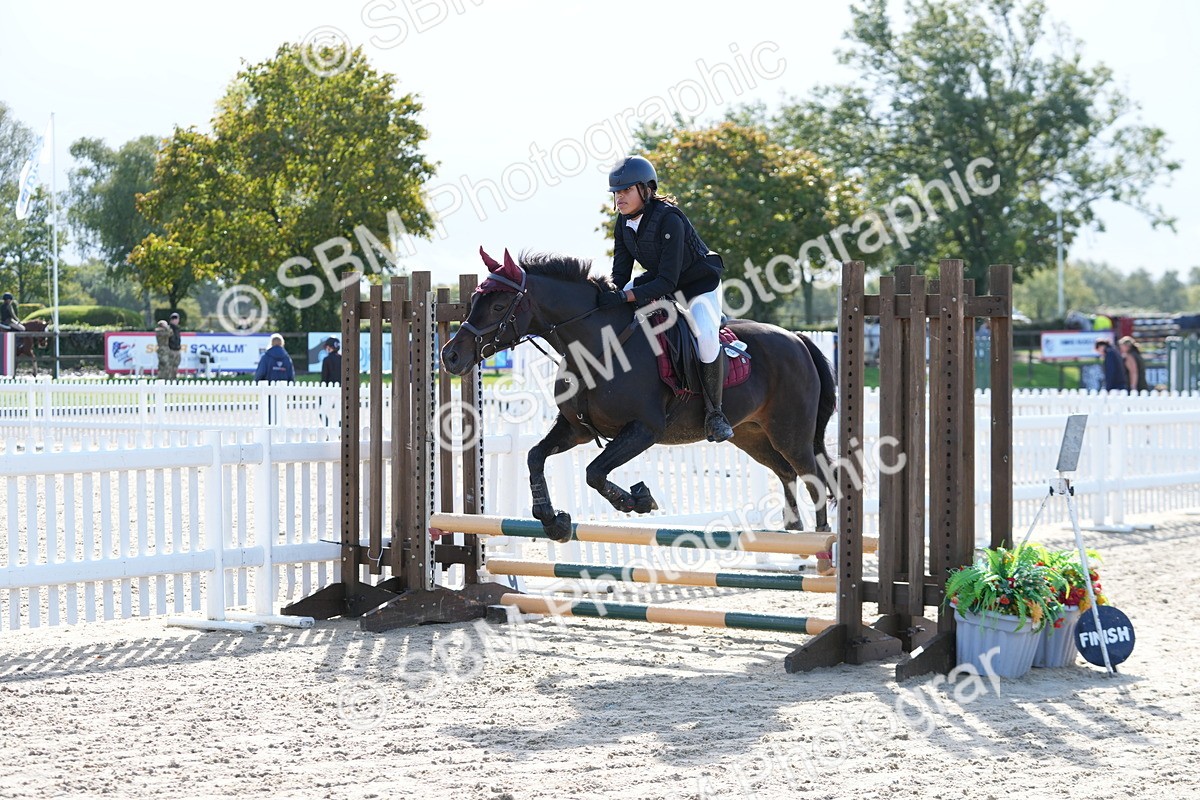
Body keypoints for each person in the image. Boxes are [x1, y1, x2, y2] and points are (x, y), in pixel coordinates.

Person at [604, 155, 733, 442]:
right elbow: (620, 274)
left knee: (707, 338)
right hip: (664, 282)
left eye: (626, 190)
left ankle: (715, 414)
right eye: (617, 192)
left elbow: (667, 280)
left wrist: (626, 296)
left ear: (645, 189)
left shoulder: (670, 218)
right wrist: (609, 295)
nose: (620, 197)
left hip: (699, 285)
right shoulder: (622, 223)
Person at [255, 333, 295, 425]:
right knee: (280, 413)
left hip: (268, 390)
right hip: (282, 391)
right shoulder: (287, 358)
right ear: (282, 343)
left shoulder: (266, 357)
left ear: (271, 343)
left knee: (268, 414)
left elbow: (260, 373)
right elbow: (291, 376)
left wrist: (256, 383)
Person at [318, 337, 342, 427]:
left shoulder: (327, 360)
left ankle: (328, 430)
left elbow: (324, 377)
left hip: (330, 390)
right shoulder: (343, 359)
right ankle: (340, 432)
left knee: (322, 412)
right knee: (339, 414)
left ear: (329, 347)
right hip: (341, 390)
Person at [165, 312, 183, 379]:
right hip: (171, 349)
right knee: (170, 366)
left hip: (177, 349)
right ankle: (170, 380)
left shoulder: (177, 329)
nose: (177, 321)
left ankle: (173, 379)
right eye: (175, 319)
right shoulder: (169, 329)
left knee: (175, 366)